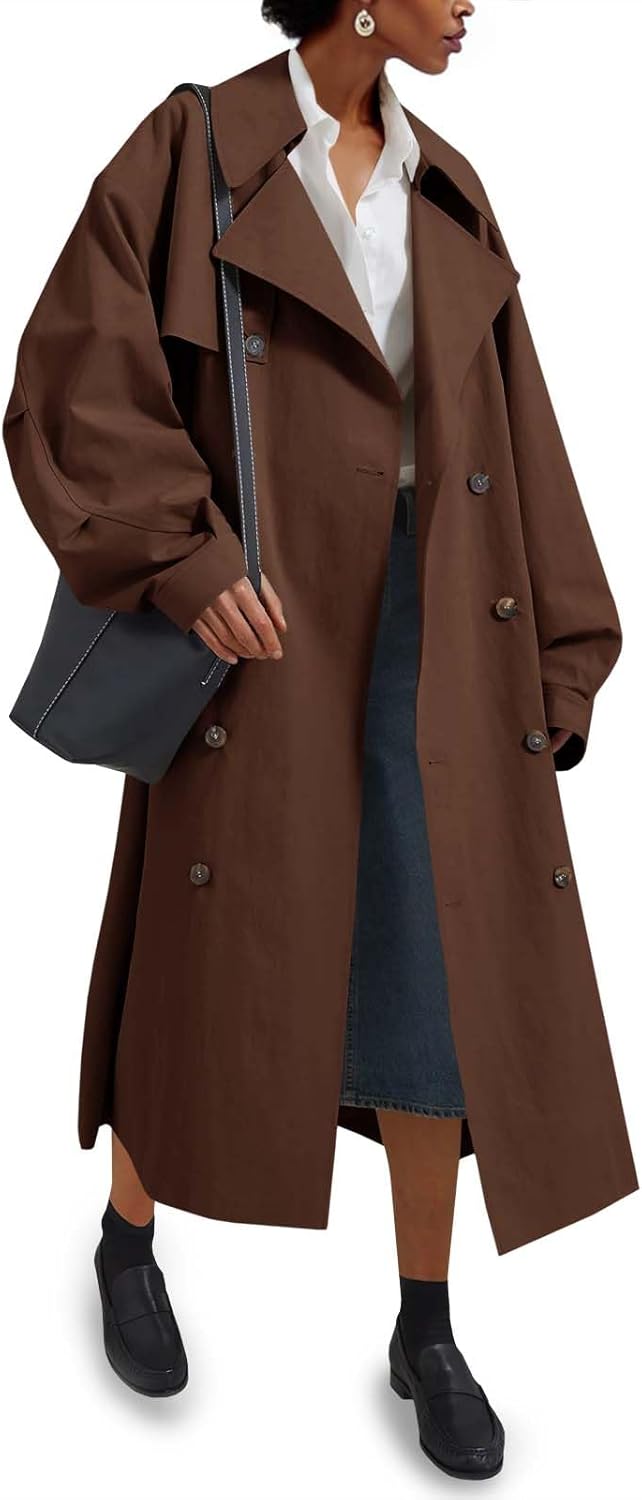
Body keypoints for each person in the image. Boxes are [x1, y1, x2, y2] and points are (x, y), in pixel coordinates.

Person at [3, 0, 637, 1480]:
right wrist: (184, 557)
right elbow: (74, 374)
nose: (472, 3)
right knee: (209, 934)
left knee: (434, 953)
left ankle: (427, 1323)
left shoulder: (446, 183)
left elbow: (513, 422)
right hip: (264, 609)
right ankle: (129, 1236)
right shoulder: (195, 148)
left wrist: (559, 643)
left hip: (437, 613)